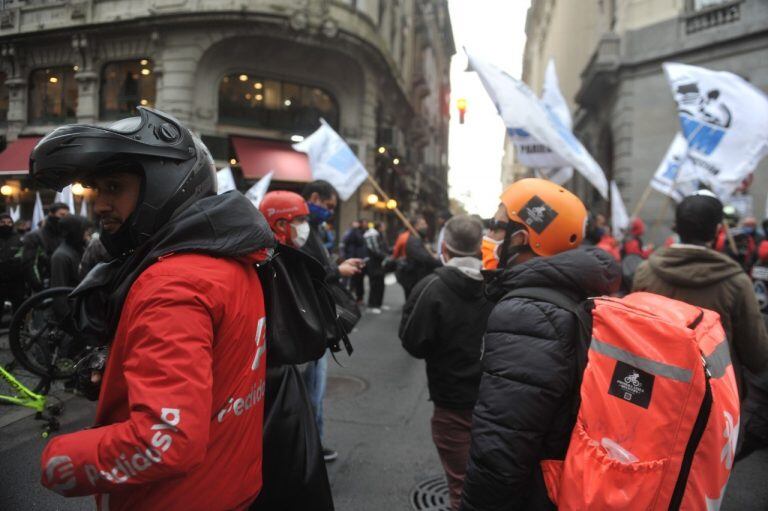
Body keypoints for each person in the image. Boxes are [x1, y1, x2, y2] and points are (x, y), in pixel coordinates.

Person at [34, 107, 275, 511]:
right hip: (230, 485)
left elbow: (166, 441)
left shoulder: (171, 283)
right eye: (96, 190)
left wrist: (60, 460)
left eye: (114, 187)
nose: (100, 205)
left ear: (165, 185)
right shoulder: (234, 259)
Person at [460, 178, 621, 511]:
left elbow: (502, 447)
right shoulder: (573, 291)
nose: (489, 237)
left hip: (535, 494)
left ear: (521, 239)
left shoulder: (527, 314)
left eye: (496, 226)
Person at [633, 191, 768, 397]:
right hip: (715, 402)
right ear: (717, 231)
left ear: (676, 227)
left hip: (656, 392)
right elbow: (757, 357)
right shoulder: (736, 282)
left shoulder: (645, 272)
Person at [400, 215, 493, 511]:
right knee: (488, 482)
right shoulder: (497, 286)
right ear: (481, 248)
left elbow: (413, 342)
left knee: (460, 488)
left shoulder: (432, 286)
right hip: (494, 402)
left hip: (451, 400)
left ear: (445, 249)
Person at [255, 190, 334, 510]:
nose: (306, 228)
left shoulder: (294, 255)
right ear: (280, 222)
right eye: (301, 221)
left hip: (302, 359)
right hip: (279, 373)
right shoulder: (262, 263)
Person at [301, 179, 364, 462]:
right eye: (328, 206)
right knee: (312, 390)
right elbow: (310, 272)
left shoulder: (312, 228)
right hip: (309, 321)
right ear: (314, 197)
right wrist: (337, 270)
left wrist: (337, 266)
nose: (329, 212)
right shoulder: (301, 230)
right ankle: (310, 446)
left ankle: (315, 441)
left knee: (316, 389)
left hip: (317, 321)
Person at [50, 215, 93, 323]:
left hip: (83, 309)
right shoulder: (61, 256)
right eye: (84, 229)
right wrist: (68, 321)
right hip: (73, 313)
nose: (88, 232)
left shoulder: (80, 248)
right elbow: (59, 293)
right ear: (75, 231)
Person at [22, 202, 70, 291]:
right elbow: (30, 264)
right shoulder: (34, 236)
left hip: (64, 286)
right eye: (62, 214)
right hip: (44, 288)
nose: (64, 218)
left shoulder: (66, 236)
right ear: (51, 214)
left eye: (67, 216)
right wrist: (39, 287)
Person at [396, 216, 440, 299]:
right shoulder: (413, 240)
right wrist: (439, 262)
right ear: (416, 226)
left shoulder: (421, 238)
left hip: (419, 277)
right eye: (423, 224)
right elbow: (424, 258)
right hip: (412, 278)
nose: (426, 226)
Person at [0, 212, 25, 320]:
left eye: (9, 222)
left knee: (18, 311)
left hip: (16, 281)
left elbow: (22, 257)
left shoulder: (19, 239)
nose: (6, 225)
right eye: (3, 222)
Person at [364, 222, 388, 313]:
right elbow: (375, 250)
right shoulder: (372, 234)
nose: (384, 227)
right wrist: (386, 256)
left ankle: (378, 304)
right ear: (379, 227)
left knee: (380, 284)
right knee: (375, 284)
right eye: (383, 225)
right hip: (373, 263)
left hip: (379, 263)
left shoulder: (380, 235)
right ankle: (372, 305)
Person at [342, 219, 368, 304]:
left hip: (359, 258)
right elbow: (346, 244)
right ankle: (348, 298)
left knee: (358, 279)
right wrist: (355, 229)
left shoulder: (362, 232)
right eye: (364, 223)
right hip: (353, 259)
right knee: (351, 279)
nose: (366, 224)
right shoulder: (353, 232)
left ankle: (357, 298)